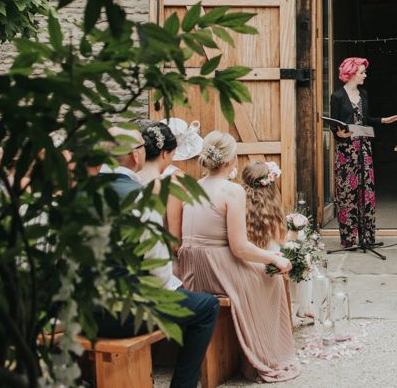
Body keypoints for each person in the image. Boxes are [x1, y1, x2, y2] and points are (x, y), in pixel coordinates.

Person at [95, 127, 219, 388]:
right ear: (134, 156)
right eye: (141, 148)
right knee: (207, 306)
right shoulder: (139, 200)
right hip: (123, 316)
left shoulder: (76, 195)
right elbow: (159, 274)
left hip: (82, 311)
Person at [176, 131, 300, 382]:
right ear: (229, 162)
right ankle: (266, 351)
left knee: (265, 272)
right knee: (272, 278)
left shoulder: (192, 187)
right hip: (216, 266)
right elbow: (239, 248)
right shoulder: (232, 192)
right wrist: (274, 259)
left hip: (189, 268)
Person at [329, 57, 397, 248]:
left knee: (365, 193)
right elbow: (333, 126)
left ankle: (367, 237)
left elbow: (365, 120)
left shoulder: (364, 94)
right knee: (347, 194)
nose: (364, 75)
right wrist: (340, 133)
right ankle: (349, 239)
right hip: (346, 152)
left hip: (364, 149)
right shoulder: (337, 96)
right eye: (361, 72)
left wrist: (384, 120)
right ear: (351, 73)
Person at [242, 161, 286, 251]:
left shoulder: (237, 204)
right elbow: (280, 240)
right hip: (269, 259)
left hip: (245, 256)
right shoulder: (273, 209)